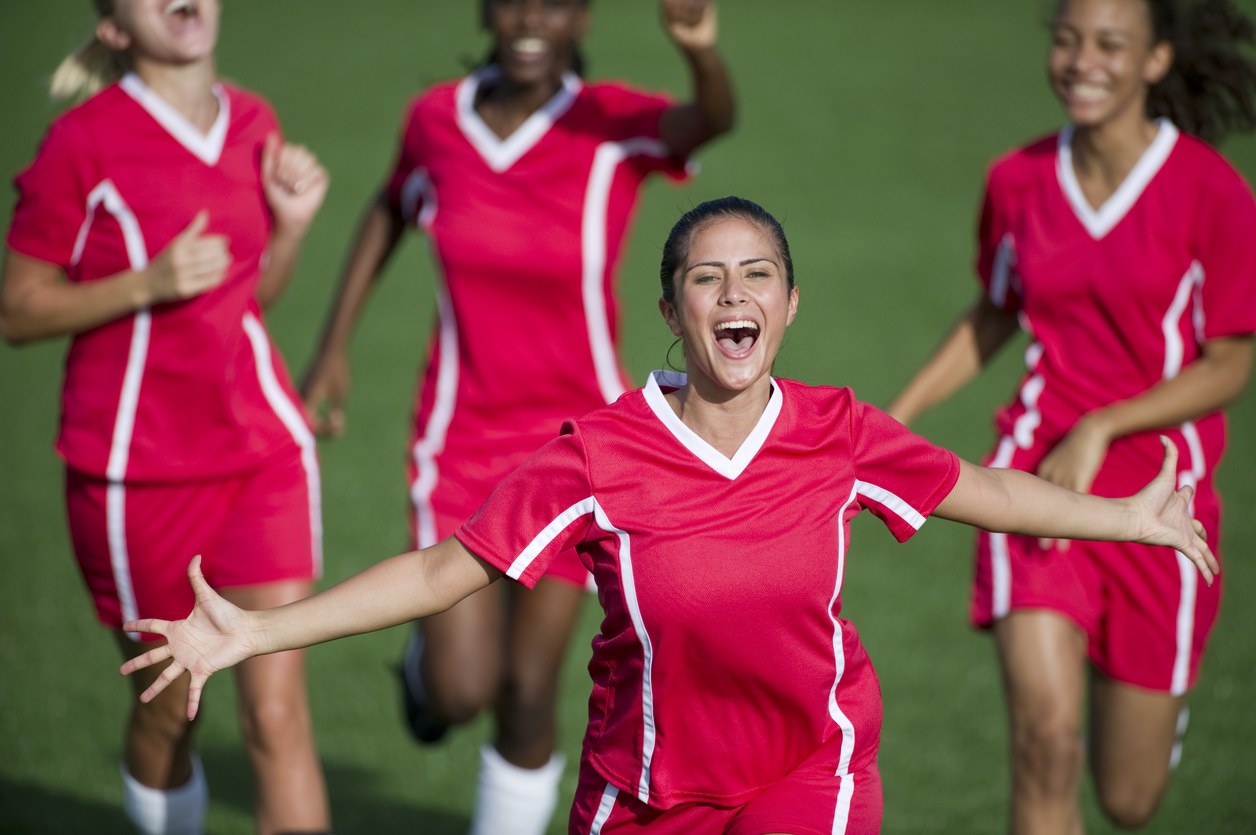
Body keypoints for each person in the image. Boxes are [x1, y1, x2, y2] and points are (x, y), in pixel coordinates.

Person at [121, 196, 1217, 835]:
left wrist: (1125, 516)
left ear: (788, 305)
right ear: (668, 307)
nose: (733, 297)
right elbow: (440, 572)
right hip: (643, 785)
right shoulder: (595, 452)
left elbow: (986, 491)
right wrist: (257, 631)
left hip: (812, 764)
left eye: (757, 277)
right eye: (706, 278)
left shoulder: (837, 429)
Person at [299, 1, 733, 831]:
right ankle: (424, 675)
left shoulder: (611, 123)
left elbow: (708, 122)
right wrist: (334, 347)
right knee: (466, 687)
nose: (532, 16)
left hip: (581, 448)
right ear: (487, 11)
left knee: (530, 692)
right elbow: (393, 203)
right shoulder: (435, 121)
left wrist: (702, 54)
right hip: (461, 438)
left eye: (555, 1)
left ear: (582, 17)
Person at [886, 0, 1256, 831]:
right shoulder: (1016, 180)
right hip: (1034, 479)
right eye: (1067, 39)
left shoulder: (1212, 191)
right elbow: (994, 311)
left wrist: (1104, 424)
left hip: (1165, 499)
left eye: (1109, 44)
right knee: (1045, 744)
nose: (1082, 59)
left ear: (1156, 60)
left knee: (1128, 799)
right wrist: (894, 418)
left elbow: (1232, 362)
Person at [0, 2, 332, 833]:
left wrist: (287, 233)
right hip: (131, 475)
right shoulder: (82, 143)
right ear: (114, 28)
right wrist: (145, 283)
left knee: (279, 715)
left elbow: (245, 300)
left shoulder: (256, 120)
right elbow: (18, 311)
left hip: (263, 453)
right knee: (171, 709)